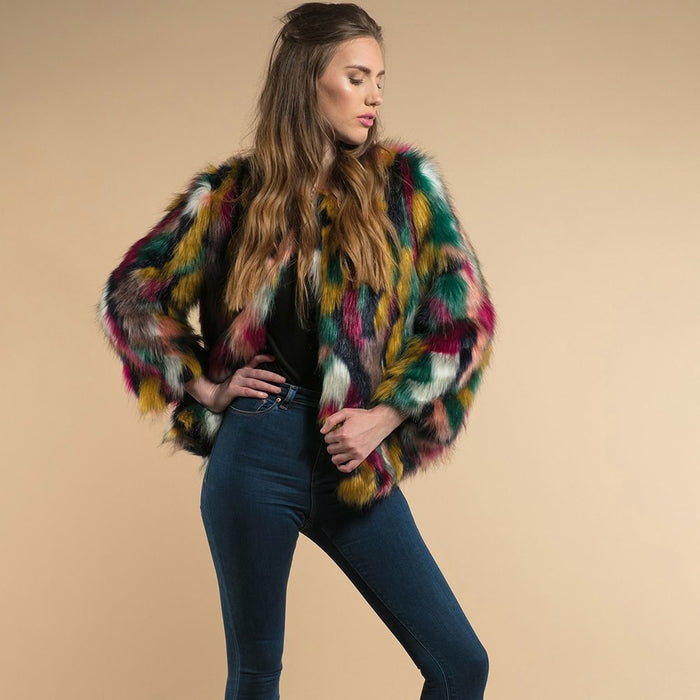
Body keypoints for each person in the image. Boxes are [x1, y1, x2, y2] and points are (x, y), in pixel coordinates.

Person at [98, 3, 496, 698]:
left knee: (460, 663)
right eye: (357, 77)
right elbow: (131, 295)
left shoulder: (405, 188)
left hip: (351, 458)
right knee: (256, 678)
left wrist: (386, 416)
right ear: (308, 80)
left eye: (379, 80)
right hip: (256, 452)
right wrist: (205, 386)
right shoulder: (229, 197)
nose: (374, 96)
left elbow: (464, 323)